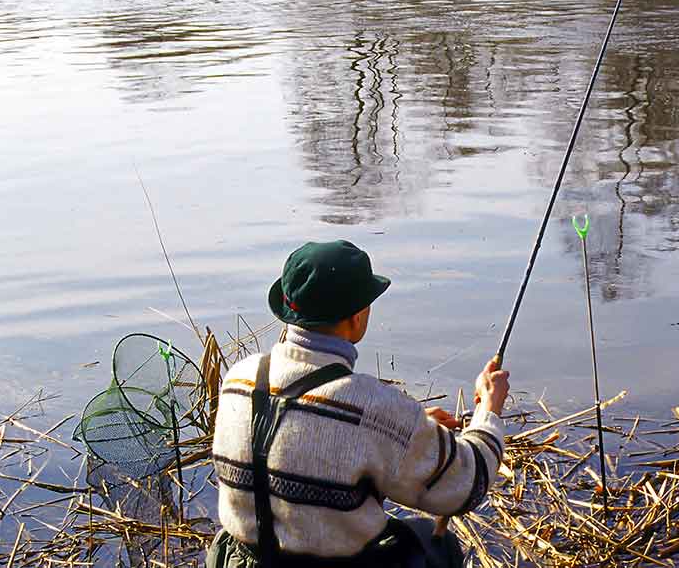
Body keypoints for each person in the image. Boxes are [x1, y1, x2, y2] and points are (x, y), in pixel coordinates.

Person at [208, 240, 510, 568]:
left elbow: (295, 435)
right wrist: (489, 410)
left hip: (242, 560)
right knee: (437, 545)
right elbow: (467, 484)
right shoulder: (372, 407)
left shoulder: (239, 379)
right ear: (355, 318)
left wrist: (409, 427)